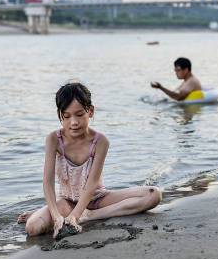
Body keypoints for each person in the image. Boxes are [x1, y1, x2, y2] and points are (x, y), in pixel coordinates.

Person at [17, 82, 162, 238]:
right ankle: (50, 211)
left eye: (79, 114)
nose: (74, 122)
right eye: (66, 116)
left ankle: (90, 216)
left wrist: (76, 216)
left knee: (154, 194)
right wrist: (56, 215)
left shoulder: (100, 141)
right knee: (33, 227)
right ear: (60, 115)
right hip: (67, 201)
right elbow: (47, 182)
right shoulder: (54, 139)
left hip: (98, 199)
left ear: (90, 111)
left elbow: (92, 184)